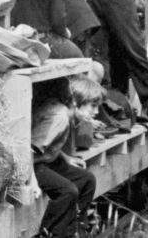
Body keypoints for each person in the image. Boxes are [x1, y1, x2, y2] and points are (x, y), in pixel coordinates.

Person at [30, 77, 97, 238]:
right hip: (32, 165)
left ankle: (75, 230)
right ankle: (48, 234)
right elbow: (29, 150)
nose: (96, 112)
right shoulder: (60, 118)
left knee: (87, 180)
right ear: (76, 101)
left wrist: (66, 158)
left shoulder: (65, 114)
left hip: (46, 161)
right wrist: (32, 181)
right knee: (67, 191)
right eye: (93, 106)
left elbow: (45, 144)